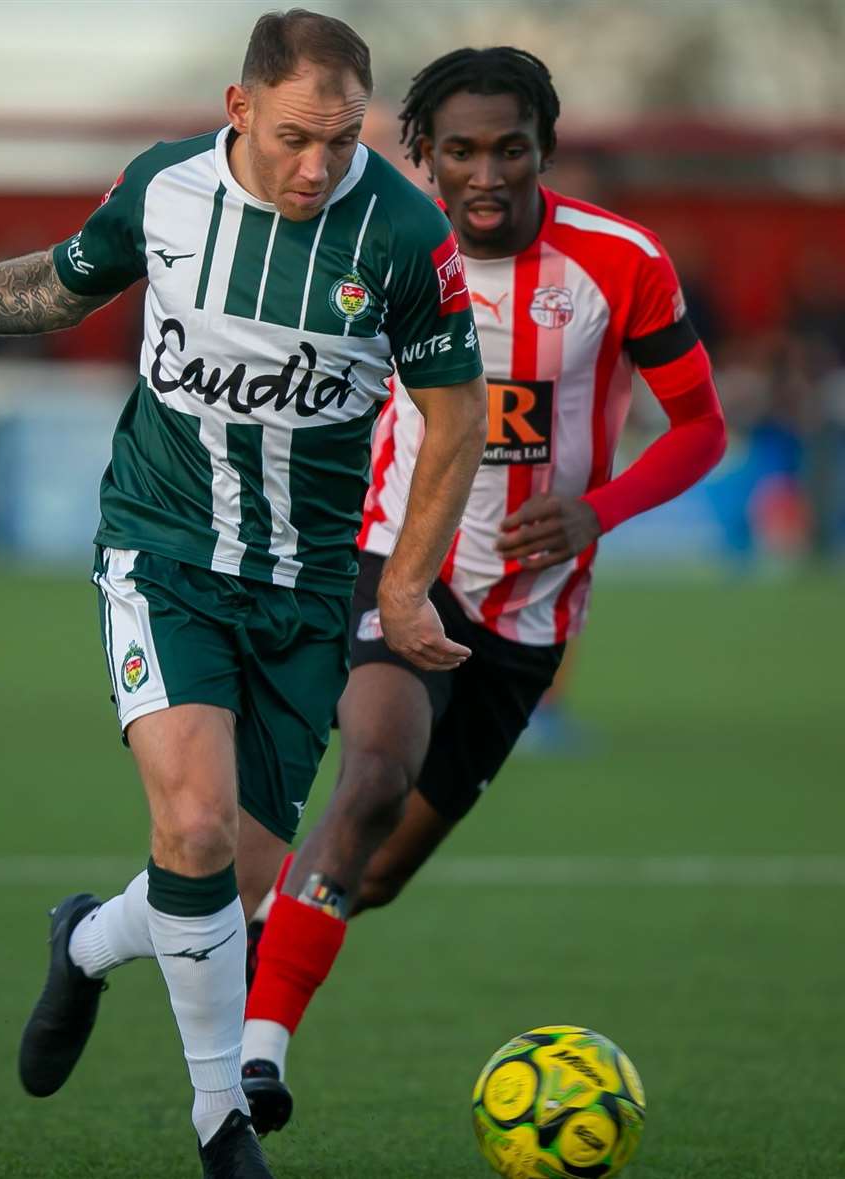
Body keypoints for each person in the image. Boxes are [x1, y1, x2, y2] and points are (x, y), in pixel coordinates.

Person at [0, 12, 488, 1178]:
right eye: (292, 139)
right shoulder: (165, 191)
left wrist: (411, 586)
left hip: (308, 587)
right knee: (193, 824)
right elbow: (56, 291)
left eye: (340, 141)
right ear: (238, 110)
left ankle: (86, 941)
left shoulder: (406, 234)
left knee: (234, 879)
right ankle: (220, 1123)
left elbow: (458, 418)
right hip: (162, 550)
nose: (318, 166)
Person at [240, 45, 728, 1136]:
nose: (486, 172)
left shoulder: (622, 262)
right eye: (459, 149)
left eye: (510, 147)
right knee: (367, 778)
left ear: (544, 147)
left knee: (372, 875)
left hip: (532, 616)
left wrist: (602, 508)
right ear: (423, 156)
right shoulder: (374, 249)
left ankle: (150, 928)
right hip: (400, 567)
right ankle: (252, 1058)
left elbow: (702, 429)